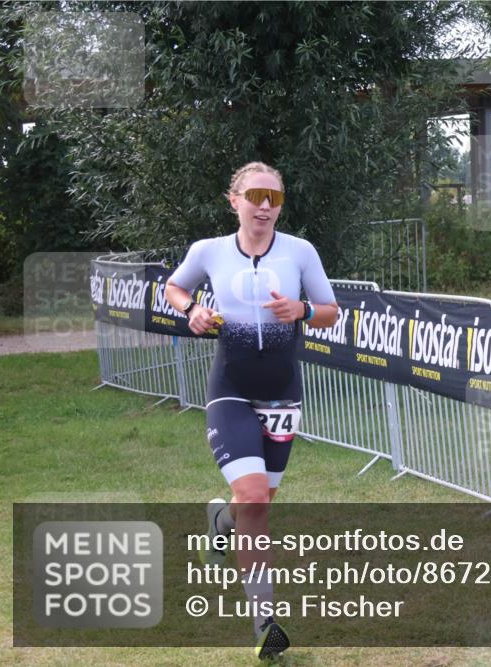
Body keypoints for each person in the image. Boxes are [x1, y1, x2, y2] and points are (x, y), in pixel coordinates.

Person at [165, 161, 338, 659]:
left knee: (256, 506)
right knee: (256, 498)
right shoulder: (209, 252)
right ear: (234, 200)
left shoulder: (300, 252)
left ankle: (221, 522)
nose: (266, 206)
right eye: (257, 195)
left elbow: (330, 310)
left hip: (282, 390)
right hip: (230, 387)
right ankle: (266, 623)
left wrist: (303, 310)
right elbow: (175, 287)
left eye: (275, 198)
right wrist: (191, 308)